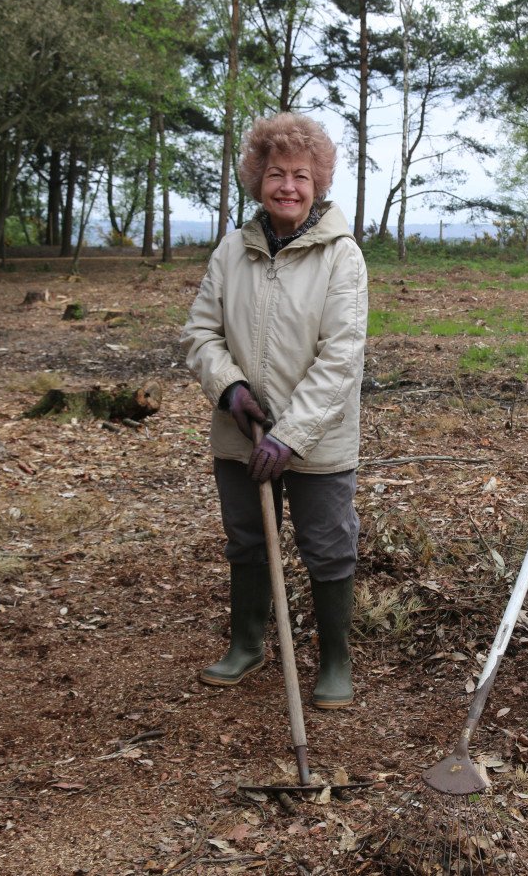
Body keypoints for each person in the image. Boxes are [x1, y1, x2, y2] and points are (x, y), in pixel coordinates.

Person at [181, 113, 368, 710]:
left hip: (318, 440)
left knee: (328, 545)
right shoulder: (232, 251)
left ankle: (335, 660)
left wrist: (289, 436)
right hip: (240, 434)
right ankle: (247, 644)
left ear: (319, 185)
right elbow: (200, 333)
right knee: (247, 540)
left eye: (301, 177)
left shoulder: (342, 257)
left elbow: (341, 358)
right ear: (257, 179)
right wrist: (229, 389)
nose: (288, 186)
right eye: (276, 174)